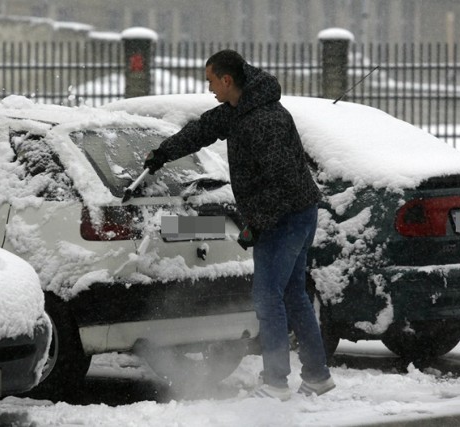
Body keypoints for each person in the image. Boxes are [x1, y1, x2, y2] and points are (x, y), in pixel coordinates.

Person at [143, 49, 335, 401]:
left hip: (288, 215)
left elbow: (284, 182)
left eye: (211, 81)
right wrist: (161, 154)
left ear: (227, 80)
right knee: (292, 295)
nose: (210, 88)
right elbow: (202, 130)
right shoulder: (239, 110)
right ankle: (317, 376)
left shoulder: (265, 120)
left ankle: (276, 382)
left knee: (267, 297)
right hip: (292, 214)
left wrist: (255, 226)